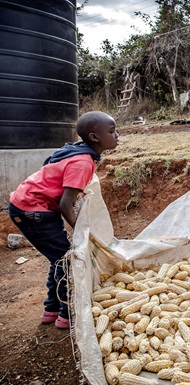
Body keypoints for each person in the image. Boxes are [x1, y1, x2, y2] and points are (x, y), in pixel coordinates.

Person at [8, 111, 119, 329]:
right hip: (34, 210)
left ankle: (51, 309)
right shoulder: (83, 162)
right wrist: (84, 233)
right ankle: (67, 314)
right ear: (95, 137)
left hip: (34, 207)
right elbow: (65, 205)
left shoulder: (80, 154)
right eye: (112, 131)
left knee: (58, 258)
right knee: (67, 261)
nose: (118, 136)